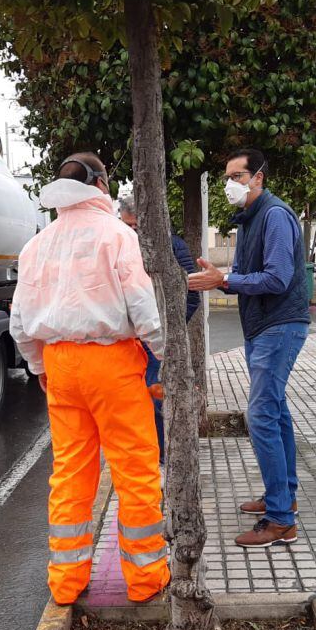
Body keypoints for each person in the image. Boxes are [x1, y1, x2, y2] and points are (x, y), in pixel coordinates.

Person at [10, 152, 170, 605]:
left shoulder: (38, 244)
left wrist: (40, 368)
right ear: (101, 184)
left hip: (59, 365)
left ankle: (66, 579)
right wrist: (167, 357)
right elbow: (144, 308)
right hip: (113, 363)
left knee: (71, 472)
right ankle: (145, 578)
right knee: (134, 468)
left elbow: (19, 323)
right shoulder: (118, 236)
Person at [188, 148, 310, 549]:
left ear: (258, 177)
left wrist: (225, 280)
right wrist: (224, 277)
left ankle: (281, 521)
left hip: (279, 325)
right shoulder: (251, 218)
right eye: (227, 176)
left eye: (237, 176)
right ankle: (282, 498)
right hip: (264, 326)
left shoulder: (274, 215)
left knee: (260, 416)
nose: (230, 184)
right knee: (276, 413)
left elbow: (277, 278)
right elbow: (246, 274)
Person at [118, 195, 199, 462]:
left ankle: (163, 456)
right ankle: (149, 454)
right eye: (126, 226)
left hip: (157, 341)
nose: (131, 233)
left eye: (136, 227)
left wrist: (168, 332)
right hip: (130, 342)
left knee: (155, 397)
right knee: (133, 401)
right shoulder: (121, 251)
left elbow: (191, 297)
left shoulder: (172, 247)